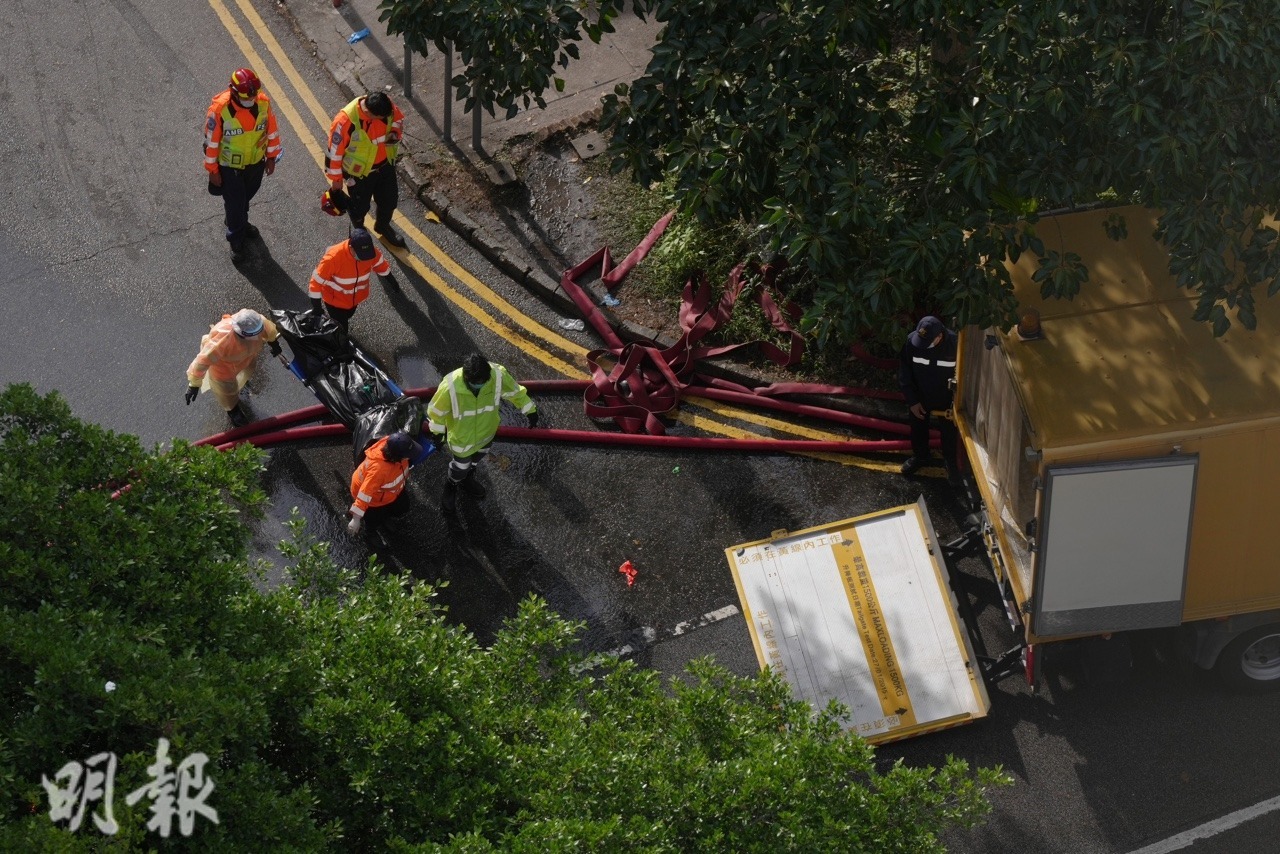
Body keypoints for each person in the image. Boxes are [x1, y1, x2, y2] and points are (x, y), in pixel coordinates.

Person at [427, 354, 538, 513]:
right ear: (466, 376)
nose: (479, 385)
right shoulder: (450, 387)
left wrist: (530, 410)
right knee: (460, 466)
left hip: (486, 433)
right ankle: (451, 485)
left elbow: (515, 392)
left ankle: (467, 478)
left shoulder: (496, 375)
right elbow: (436, 413)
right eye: (476, 383)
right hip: (461, 438)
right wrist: (438, 434)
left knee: (475, 461)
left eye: (483, 382)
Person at [203, 68, 281, 262]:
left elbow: (271, 131)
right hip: (230, 168)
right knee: (236, 202)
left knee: (245, 197)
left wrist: (271, 157)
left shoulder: (263, 103)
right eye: (246, 97)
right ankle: (236, 238)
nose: (250, 101)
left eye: (252, 96)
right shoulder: (219, 110)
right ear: (234, 91)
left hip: (255, 163)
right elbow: (211, 144)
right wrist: (213, 171)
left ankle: (237, 219)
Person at [324, 92, 407, 248]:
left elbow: (397, 118)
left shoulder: (385, 105)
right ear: (369, 113)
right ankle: (359, 233)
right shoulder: (344, 121)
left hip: (384, 166)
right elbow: (334, 153)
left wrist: (395, 132)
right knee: (359, 208)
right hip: (359, 175)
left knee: (389, 201)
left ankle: (382, 226)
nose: (384, 119)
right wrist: (336, 182)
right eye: (380, 117)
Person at [185, 309, 282, 427]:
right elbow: (202, 361)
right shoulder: (223, 339)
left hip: (247, 358)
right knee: (227, 392)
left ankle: (241, 385)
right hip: (223, 368)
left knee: (247, 371)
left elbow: (269, 330)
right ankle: (232, 410)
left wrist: (274, 343)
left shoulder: (256, 322)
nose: (257, 336)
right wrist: (194, 384)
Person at [898, 315, 959, 476]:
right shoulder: (912, 342)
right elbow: (905, 372)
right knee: (917, 428)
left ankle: (951, 463)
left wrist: (957, 402)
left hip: (947, 399)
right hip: (921, 396)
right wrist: (912, 401)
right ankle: (921, 456)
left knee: (949, 433)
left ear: (939, 336)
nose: (923, 347)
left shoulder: (956, 344)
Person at [307, 228, 393, 332]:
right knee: (342, 328)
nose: (364, 258)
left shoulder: (369, 252)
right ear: (351, 247)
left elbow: (380, 264)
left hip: (354, 299)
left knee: (348, 315)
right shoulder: (333, 258)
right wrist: (317, 308)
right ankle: (342, 342)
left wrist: (390, 278)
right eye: (361, 255)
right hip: (335, 303)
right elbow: (316, 283)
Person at [347, 431, 423, 536]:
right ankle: (371, 532)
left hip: (389, 493)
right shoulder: (379, 470)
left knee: (402, 507)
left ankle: (384, 517)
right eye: (408, 456)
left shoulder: (393, 446)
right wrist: (356, 519)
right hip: (374, 500)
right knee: (374, 519)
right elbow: (365, 494)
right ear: (397, 457)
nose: (410, 457)